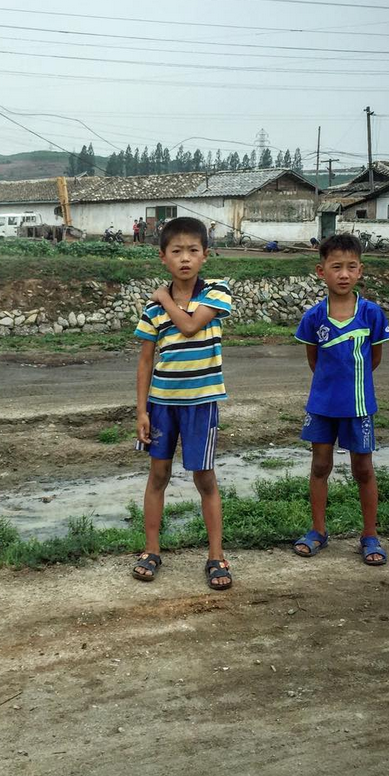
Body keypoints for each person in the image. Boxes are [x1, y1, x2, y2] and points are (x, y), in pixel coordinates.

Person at [133, 217, 234, 591]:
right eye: (177, 251)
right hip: (161, 404)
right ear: (163, 257)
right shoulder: (152, 311)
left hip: (201, 404)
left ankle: (216, 555)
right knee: (157, 476)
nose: (185, 259)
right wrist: (141, 410)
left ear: (205, 255)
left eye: (193, 250)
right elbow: (145, 361)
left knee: (204, 478)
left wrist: (163, 297)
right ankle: (151, 550)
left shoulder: (217, 292)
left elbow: (191, 326)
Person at [293, 233, 389, 565]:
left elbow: (374, 359)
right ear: (322, 272)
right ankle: (318, 531)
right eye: (337, 267)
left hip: (359, 406)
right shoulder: (313, 318)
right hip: (322, 405)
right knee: (320, 466)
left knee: (363, 469)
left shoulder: (372, 315)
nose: (344, 274)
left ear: (360, 271)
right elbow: (314, 361)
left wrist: (353, 388)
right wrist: (329, 388)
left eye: (351, 267)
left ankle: (369, 536)